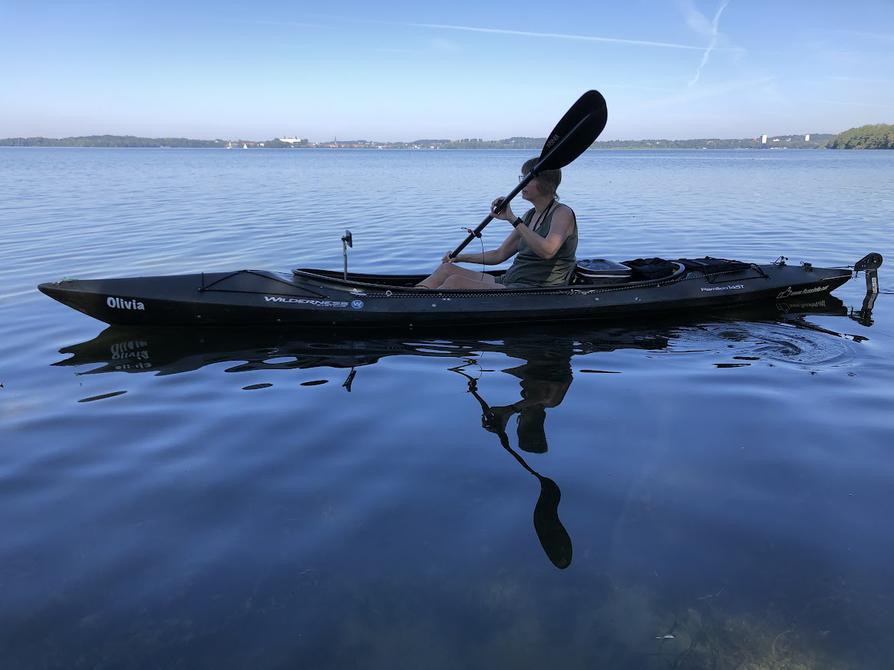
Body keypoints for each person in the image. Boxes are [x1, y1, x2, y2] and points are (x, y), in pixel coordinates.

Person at [416, 157, 578, 289]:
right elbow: (499, 255)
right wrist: (458, 258)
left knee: (455, 283)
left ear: (546, 183)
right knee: (446, 270)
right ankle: (410, 299)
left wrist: (512, 219)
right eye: (522, 178)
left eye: (527, 179)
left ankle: (420, 309)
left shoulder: (562, 213)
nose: (521, 184)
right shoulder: (529, 216)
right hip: (509, 281)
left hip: (534, 289)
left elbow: (547, 251)